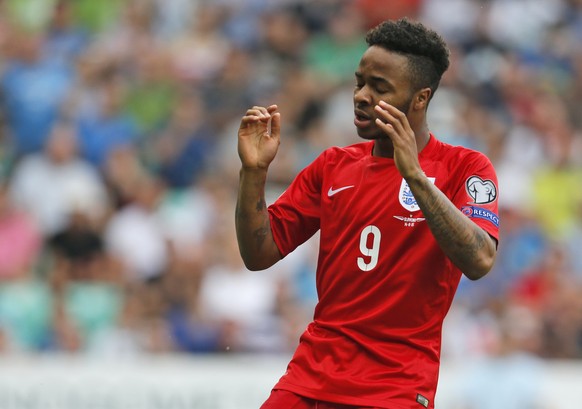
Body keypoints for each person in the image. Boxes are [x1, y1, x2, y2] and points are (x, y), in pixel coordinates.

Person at [235, 18, 499, 409]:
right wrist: (253, 173)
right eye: (359, 82)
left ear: (420, 99)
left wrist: (415, 178)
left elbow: (480, 259)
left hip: (395, 387)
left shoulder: (466, 168)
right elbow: (258, 255)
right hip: (311, 376)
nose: (361, 96)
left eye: (380, 88)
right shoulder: (332, 166)